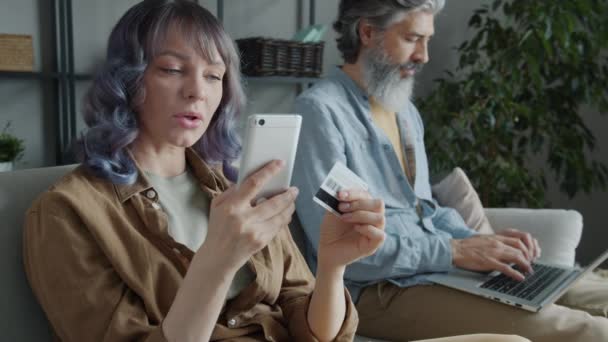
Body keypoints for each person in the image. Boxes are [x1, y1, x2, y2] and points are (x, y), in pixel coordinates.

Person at [22, 1, 388, 341]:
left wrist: (331, 267)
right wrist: (218, 260)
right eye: (172, 69)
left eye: (214, 76)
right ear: (126, 80)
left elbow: (310, 327)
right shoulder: (66, 213)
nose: (197, 91)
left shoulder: (234, 190)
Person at [291, 0, 608, 341]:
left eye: (427, 39)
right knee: (590, 331)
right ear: (367, 32)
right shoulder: (319, 113)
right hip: (373, 292)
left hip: (434, 273)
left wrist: (481, 242)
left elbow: (423, 211)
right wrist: (455, 252)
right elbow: (344, 252)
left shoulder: (405, 112)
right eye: (413, 38)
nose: (424, 55)